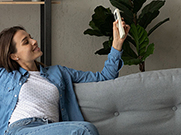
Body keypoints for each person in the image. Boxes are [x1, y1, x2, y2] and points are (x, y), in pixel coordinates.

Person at [0, 19, 130, 135]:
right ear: (14, 56)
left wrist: (117, 45)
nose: (34, 41)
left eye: (31, 37)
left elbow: (104, 77)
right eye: (26, 42)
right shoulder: (5, 76)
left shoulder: (58, 72)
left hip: (53, 127)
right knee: (85, 130)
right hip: (21, 129)